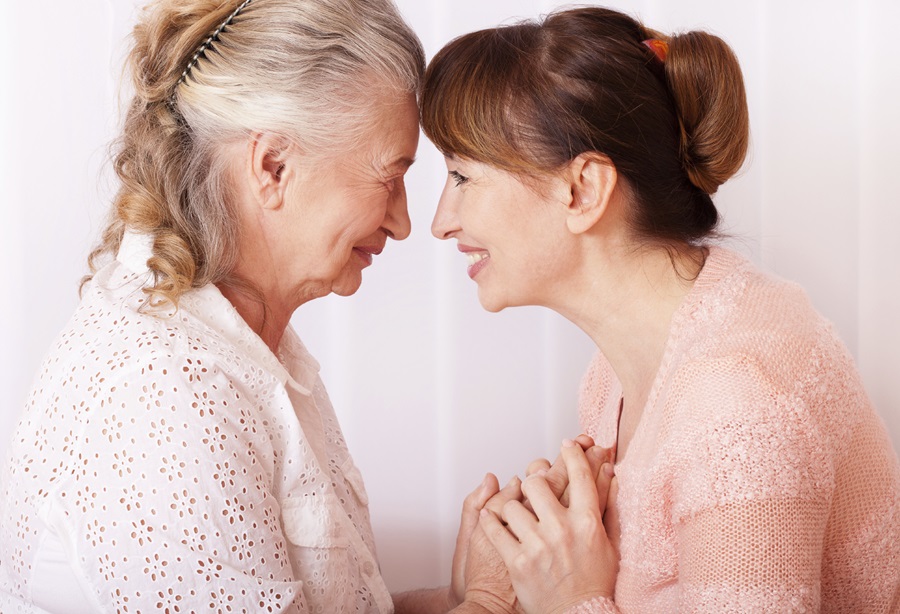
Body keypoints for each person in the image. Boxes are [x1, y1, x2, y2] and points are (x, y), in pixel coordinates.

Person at [421, 6, 900, 613]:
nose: (441, 221)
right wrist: (494, 593)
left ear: (583, 190)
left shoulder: (736, 402)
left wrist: (570, 600)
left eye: (462, 177)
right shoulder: (619, 370)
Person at [0, 0, 431, 611]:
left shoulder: (241, 347)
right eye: (390, 177)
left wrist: (461, 594)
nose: (403, 222)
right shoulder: (163, 393)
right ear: (273, 166)